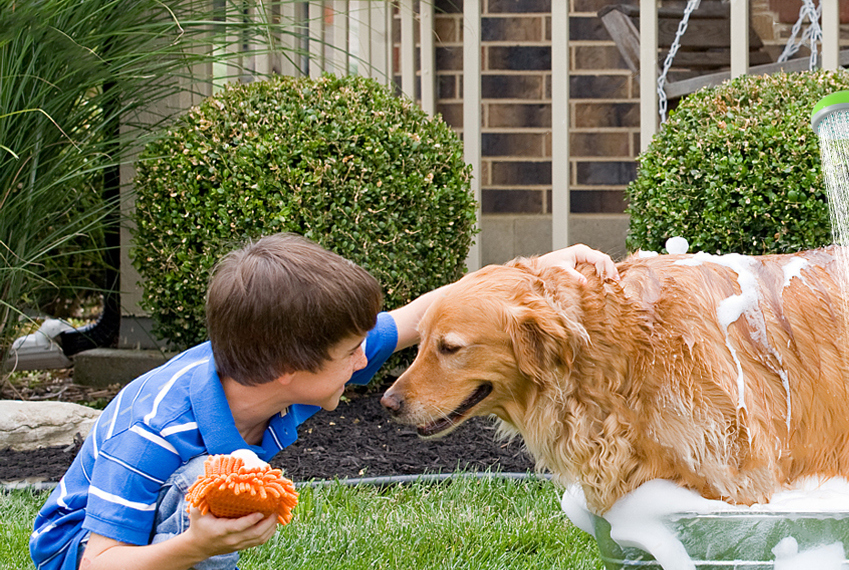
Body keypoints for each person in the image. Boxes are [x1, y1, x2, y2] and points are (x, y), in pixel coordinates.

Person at [29, 233, 618, 570]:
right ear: (290, 369)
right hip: (81, 554)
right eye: (352, 352)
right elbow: (97, 562)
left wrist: (538, 268)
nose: (367, 361)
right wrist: (197, 545)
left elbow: (417, 317)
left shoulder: (283, 372)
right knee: (200, 482)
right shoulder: (155, 431)